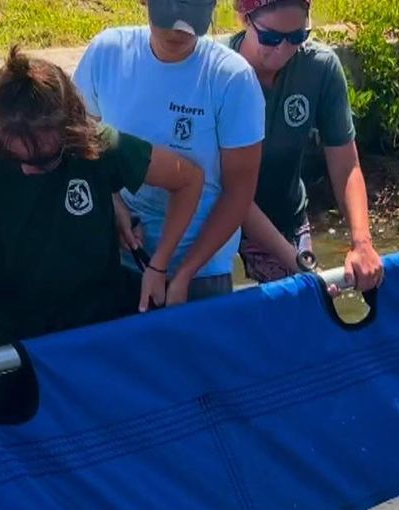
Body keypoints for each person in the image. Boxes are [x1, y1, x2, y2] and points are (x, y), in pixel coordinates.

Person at [0, 48, 205, 372]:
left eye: (45, 160)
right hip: (9, 340)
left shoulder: (99, 146)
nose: (30, 171)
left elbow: (188, 178)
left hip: (97, 332)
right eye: (18, 159)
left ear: (72, 131)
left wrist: (159, 265)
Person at [76, 0, 265, 302]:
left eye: (192, 18)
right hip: (120, 259)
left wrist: (184, 273)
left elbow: (239, 194)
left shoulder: (232, 79)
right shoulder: (105, 53)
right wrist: (114, 204)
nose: (179, 30)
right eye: (169, 15)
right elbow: (84, 148)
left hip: (200, 272)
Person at [227, 0, 383, 290]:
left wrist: (362, 242)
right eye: (271, 38)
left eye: (298, 37)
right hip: (220, 224)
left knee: (307, 309)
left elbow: (346, 164)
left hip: (286, 217)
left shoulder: (319, 68)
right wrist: (299, 265)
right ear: (244, 19)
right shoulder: (218, 72)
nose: (283, 50)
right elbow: (232, 193)